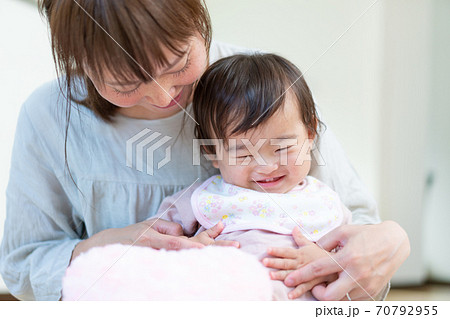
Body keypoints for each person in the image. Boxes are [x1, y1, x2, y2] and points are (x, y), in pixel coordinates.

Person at [0, 0, 409, 301]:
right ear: (80, 63)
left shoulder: (260, 86)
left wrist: (386, 242)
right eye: (126, 83)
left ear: (199, 19)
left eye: (178, 63)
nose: (163, 96)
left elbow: (361, 236)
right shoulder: (50, 115)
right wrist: (103, 247)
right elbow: (22, 263)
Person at [153, 53, 352, 300]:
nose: (267, 166)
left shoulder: (324, 201)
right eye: (243, 153)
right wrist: (190, 250)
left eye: (282, 148)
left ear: (310, 134)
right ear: (212, 152)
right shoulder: (203, 199)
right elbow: (154, 244)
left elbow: (355, 263)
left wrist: (328, 262)